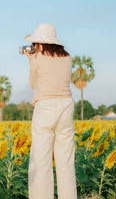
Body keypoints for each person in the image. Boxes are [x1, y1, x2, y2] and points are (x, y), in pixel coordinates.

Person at [24, 23, 77, 199]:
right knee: (66, 162)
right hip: (66, 106)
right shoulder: (67, 57)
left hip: (46, 106)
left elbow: (34, 84)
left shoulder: (38, 58)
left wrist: (31, 61)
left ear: (39, 43)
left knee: (41, 162)